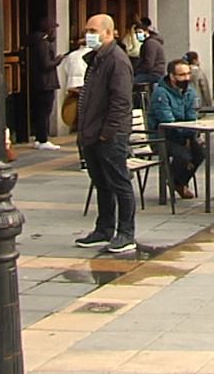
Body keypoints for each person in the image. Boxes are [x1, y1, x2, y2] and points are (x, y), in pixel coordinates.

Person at [74, 14, 137, 254]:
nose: (88, 34)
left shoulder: (116, 60)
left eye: (93, 30)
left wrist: (107, 132)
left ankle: (126, 232)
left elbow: (121, 101)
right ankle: (104, 228)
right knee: (101, 182)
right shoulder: (97, 59)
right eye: (87, 29)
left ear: (109, 33)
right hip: (91, 132)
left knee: (119, 182)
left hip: (109, 134)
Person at [148, 59, 204, 200]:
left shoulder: (190, 92)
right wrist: (185, 136)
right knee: (183, 156)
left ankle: (179, 182)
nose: (186, 78)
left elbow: (192, 116)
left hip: (183, 133)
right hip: (162, 136)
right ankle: (174, 181)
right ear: (172, 76)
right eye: (181, 75)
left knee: (200, 153)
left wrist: (191, 136)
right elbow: (167, 121)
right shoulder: (160, 93)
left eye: (188, 74)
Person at [27, 18, 64, 151]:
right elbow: (46, 64)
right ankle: (43, 138)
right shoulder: (42, 43)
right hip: (46, 83)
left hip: (39, 82)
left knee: (40, 110)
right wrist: (58, 60)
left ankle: (40, 137)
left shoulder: (37, 42)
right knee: (44, 110)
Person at [59, 36, 93, 133]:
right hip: (84, 84)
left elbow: (65, 69)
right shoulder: (91, 55)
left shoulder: (71, 55)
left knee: (73, 109)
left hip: (71, 83)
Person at [133, 20, 167, 85]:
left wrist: (136, 71)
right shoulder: (151, 42)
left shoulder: (150, 43)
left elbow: (148, 63)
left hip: (153, 74)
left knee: (130, 82)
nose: (138, 35)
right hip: (156, 72)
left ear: (146, 32)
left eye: (140, 32)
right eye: (136, 33)